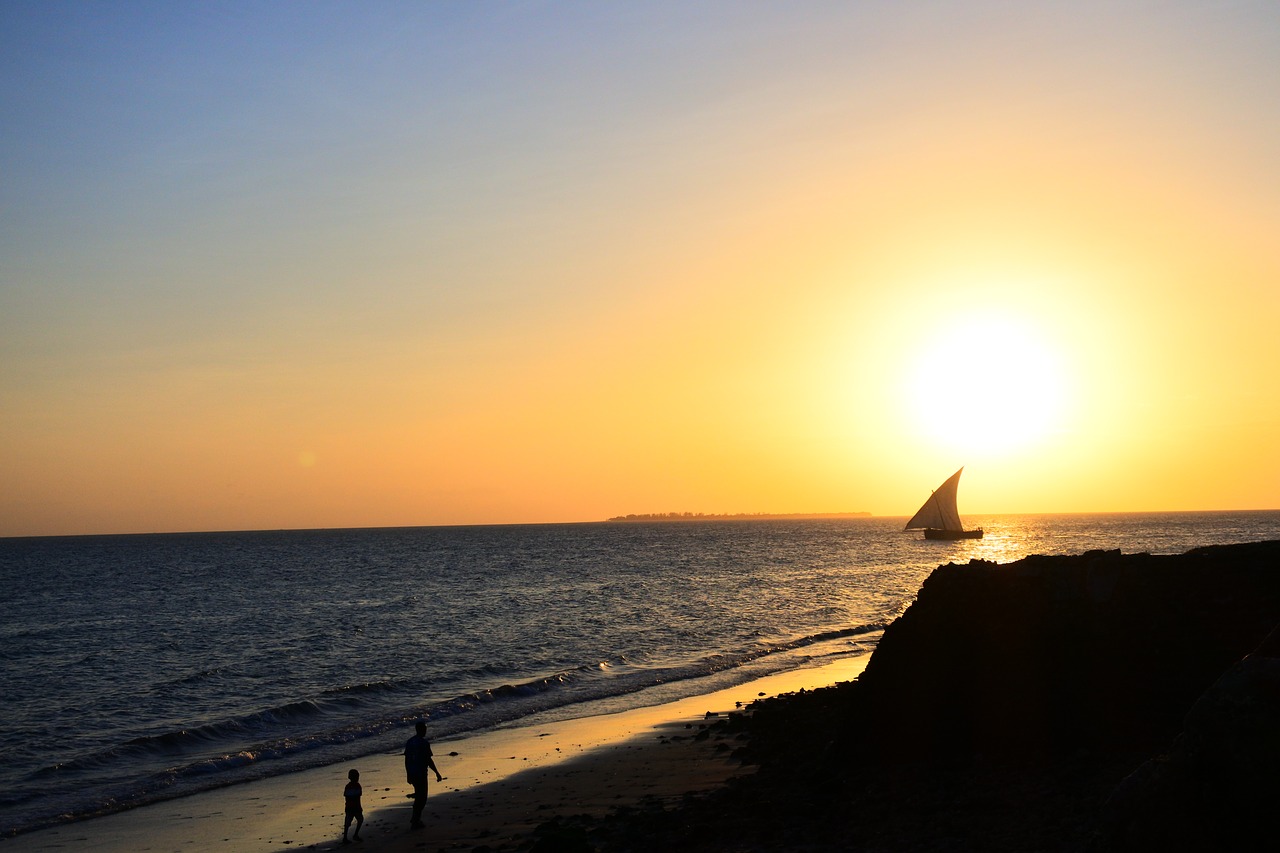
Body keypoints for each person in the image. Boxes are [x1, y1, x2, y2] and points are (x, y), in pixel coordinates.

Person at [403, 720, 442, 828]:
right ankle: (416, 819)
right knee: (422, 798)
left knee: (419, 795)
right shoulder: (424, 743)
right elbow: (428, 760)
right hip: (421, 773)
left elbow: (407, 760)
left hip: (413, 772)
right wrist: (437, 773)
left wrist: (408, 774)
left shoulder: (410, 742)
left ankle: (415, 818)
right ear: (421, 730)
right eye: (424, 729)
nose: (425, 731)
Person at [342, 768, 364, 843]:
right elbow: (358, 796)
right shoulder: (357, 786)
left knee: (348, 822)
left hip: (349, 807)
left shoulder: (348, 786)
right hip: (355, 807)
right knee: (359, 820)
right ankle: (354, 835)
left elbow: (346, 795)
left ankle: (346, 837)